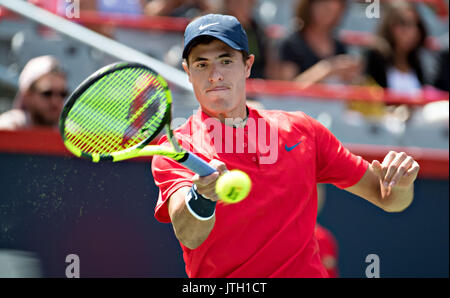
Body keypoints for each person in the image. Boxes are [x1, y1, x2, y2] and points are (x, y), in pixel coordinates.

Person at [151, 14, 420, 278]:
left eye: (225, 60)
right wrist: (202, 197)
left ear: (247, 65)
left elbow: (388, 199)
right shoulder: (176, 149)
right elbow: (189, 234)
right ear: (187, 72)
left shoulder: (304, 131)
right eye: (201, 64)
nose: (214, 75)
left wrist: (402, 186)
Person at [278, 0, 361, 86]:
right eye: (325, 8)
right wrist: (327, 70)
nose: (328, 15)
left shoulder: (340, 46)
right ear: (310, 6)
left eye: (334, 11)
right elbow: (288, 88)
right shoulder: (292, 44)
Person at [0, 55, 67, 130]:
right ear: (27, 94)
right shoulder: (10, 125)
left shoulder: (71, 132)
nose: (55, 101)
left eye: (62, 94)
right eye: (47, 93)